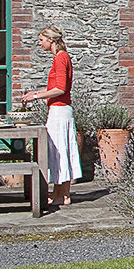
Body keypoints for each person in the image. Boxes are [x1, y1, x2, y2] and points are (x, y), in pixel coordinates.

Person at [22, 25, 80, 207]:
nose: (40, 44)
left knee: (59, 152)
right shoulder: (60, 58)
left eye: (42, 40)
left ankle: (62, 195)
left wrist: (37, 96)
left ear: (51, 40)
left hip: (60, 111)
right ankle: (60, 194)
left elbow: (60, 88)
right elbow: (55, 88)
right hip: (58, 109)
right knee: (59, 152)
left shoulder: (61, 58)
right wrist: (36, 93)